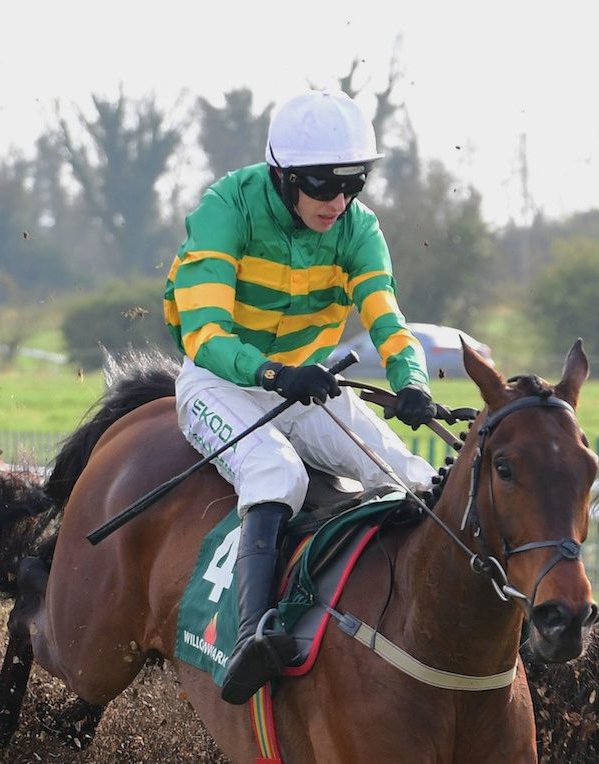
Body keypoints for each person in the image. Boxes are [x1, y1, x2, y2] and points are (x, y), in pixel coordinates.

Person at [162, 89, 438, 708]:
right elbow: (204, 333)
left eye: (353, 185)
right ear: (282, 175)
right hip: (221, 384)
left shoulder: (357, 228)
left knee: (411, 475)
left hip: (305, 386)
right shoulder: (225, 207)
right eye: (321, 186)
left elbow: (387, 317)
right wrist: (272, 374)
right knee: (276, 471)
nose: (337, 202)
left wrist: (410, 380)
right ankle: (252, 636)